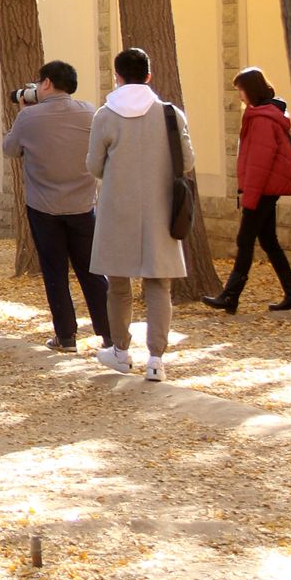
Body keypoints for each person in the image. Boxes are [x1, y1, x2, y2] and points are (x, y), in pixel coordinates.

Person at [88, 47, 195, 382]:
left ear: (117, 77)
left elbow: (93, 165)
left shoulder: (105, 115)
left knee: (118, 284)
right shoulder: (169, 113)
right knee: (158, 283)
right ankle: (156, 360)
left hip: (117, 207)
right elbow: (187, 162)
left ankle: (120, 351)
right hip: (160, 205)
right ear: (149, 75)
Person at [2, 60, 111, 353]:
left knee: (55, 271)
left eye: (39, 83)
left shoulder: (29, 118)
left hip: (43, 206)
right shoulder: (91, 111)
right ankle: (110, 335)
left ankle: (66, 336)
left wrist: (23, 115)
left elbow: (10, 149)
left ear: (47, 83)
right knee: (92, 271)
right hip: (83, 204)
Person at [201, 67, 291, 314]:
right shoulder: (266, 115)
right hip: (267, 188)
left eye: (241, 90)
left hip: (263, 189)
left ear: (251, 90)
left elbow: (260, 162)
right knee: (269, 241)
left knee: (245, 240)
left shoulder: (262, 119)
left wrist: (249, 197)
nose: (240, 96)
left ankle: (230, 296)